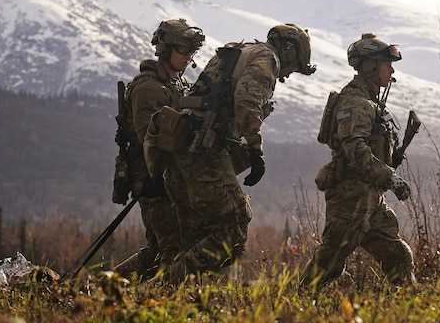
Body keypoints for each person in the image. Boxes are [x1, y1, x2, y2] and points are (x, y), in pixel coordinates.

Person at [148, 23, 316, 283]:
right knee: (234, 229)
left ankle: (163, 296)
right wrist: (255, 148)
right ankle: (167, 284)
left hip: (182, 148)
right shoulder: (266, 59)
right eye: (294, 67)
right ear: (289, 51)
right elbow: (248, 102)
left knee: (195, 233)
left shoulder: (241, 51)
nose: (289, 73)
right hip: (205, 150)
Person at [300, 32, 415, 290]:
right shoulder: (356, 103)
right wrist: (390, 177)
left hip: (370, 196)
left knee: (398, 256)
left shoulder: (369, 102)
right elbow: (356, 150)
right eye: (387, 64)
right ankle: (291, 303)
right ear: (370, 67)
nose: (391, 70)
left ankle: (411, 306)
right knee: (329, 261)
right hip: (350, 196)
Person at [112, 18, 205, 279]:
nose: (188, 57)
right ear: (165, 50)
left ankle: (103, 290)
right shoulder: (148, 88)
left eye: (192, 52)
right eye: (183, 51)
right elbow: (148, 140)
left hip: (172, 178)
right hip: (152, 179)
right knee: (173, 250)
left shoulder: (179, 85)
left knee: (156, 251)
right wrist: (156, 177)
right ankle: (160, 304)